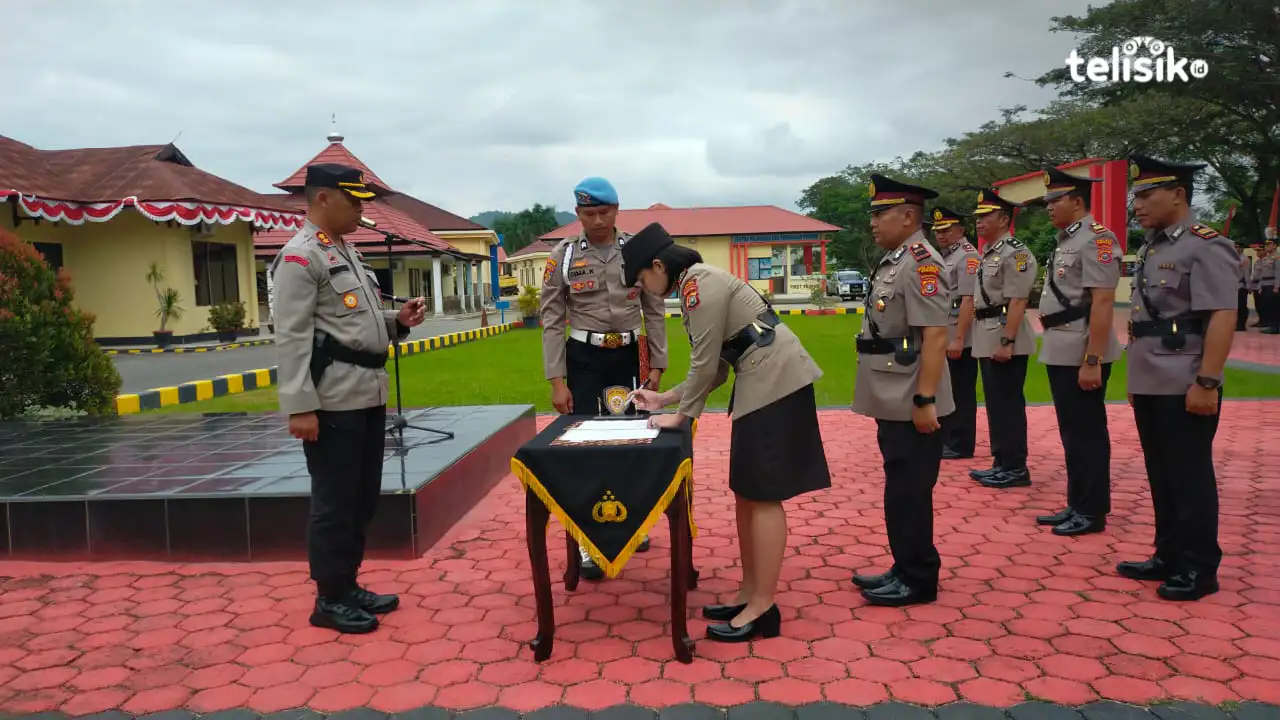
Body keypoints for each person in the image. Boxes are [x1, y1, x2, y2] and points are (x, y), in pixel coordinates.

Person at [623, 222, 831, 641]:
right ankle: (750, 593)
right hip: (760, 380)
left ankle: (763, 607)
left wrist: (682, 416)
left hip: (775, 383)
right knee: (748, 492)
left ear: (659, 265)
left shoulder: (697, 285)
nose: (644, 288)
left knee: (764, 494)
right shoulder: (694, 286)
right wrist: (664, 401)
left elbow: (704, 364)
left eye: (642, 279)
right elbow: (716, 366)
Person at [271, 163, 428, 633]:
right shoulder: (301, 258)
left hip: (366, 393)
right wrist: (300, 405)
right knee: (335, 501)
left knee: (361, 498)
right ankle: (328, 598)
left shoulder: (345, 253)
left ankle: (348, 582)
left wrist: (396, 319)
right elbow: (292, 336)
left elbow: (354, 323)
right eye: (353, 199)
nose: (362, 208)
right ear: (322, 199)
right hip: (333, 399)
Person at [1117, 154, 1240, 601]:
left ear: (1179, 194)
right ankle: (1168, 553)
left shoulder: (1204, 245)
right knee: (1161, 473)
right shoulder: (1155, 244)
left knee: (1189, 476)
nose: (1138, 204)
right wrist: (1134, 378)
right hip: (1151, 374)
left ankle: (1199, 567)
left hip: (1186, 376)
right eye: (1136, 196)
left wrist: (1207, 381)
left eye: (1147, 194)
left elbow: (1223, 315)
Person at [540, 177, 668, 580]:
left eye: (604, 212)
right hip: (584, 359)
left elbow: (655, 309)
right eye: (589, 213)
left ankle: (632, 524)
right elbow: (550, 320)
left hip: (629, 356)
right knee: (586, 445)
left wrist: (658, 367)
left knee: (632, 441)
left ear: (617, 210)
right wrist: (557, 380)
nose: (597, 220)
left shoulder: (637, 251)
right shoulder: (562, 256)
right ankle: (587, 540)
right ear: (577, 214)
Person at [851, 174, 955, 607]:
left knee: (910, 489)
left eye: (881, 214)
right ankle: (904, 565)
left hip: (911, 393)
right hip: (892, 389)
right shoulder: (898, 259)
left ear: (909, 216)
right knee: (900, 485)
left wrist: (925, 399)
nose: (873, 222)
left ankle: (918, 578)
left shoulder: (921, 262)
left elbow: (934, 336)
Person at [1034, 167, 1123, 536]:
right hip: (1061, 345)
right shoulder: (1068, 239)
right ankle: (1077, 502)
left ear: (1077, 201)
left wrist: (1093, 359)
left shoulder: (1096, 239)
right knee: (1072, 431)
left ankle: (1091, 510)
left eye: (1055, 200)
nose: (1050, 207)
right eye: (1048, 201)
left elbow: (1102, 303)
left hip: (1081, 348)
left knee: (1086, 432)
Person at [967, 188, 1038, 489]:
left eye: (986, 216)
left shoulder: (1016, 253)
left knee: (1007, 404)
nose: (979, 223)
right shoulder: (989, 252)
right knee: (996, 403)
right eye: (978, 218)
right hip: (988, 332)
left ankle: (1015, 466)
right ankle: (1001, 461)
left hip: (1004, 335)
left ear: (1004, 219)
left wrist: (1007, 341)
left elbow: (1018, 300)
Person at [932, 206, 980, 460]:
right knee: (948, 388)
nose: (941, 234)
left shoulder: (967, 257)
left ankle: (961, 443)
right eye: (938, 230)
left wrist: (959, 338)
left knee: (961, 391)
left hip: (959, 336)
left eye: (946, 230)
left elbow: (968, 301)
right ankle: (949, 437)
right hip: (945, 332)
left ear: (960, 230)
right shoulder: (947, 256)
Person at [1259, 236, 1279, 334]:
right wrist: (1260, 286)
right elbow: (1262, 273)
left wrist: (1277, 285)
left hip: (1273, 284)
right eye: (1266, 245)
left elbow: (1278, 272)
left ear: (1275, 246)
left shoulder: (1277, 257)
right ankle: (1271, 325)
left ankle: (1275, 327)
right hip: (1265, 285)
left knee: (1275, 307)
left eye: (1269, 244)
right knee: (1268, 306)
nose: (1267, 247)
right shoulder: (1265, 258)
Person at [1237, 243, 1254, 331]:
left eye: (1238, 247)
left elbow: (1247, 274)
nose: (1236, 249)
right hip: (1233, 286)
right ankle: (1237, 324)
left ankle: (1241, 325)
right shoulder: (1232, 258)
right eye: (1235, 247)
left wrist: (1248, 287)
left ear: (1242, 249)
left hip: (1241, 286)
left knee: (1242, 306)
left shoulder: (1244, 259)